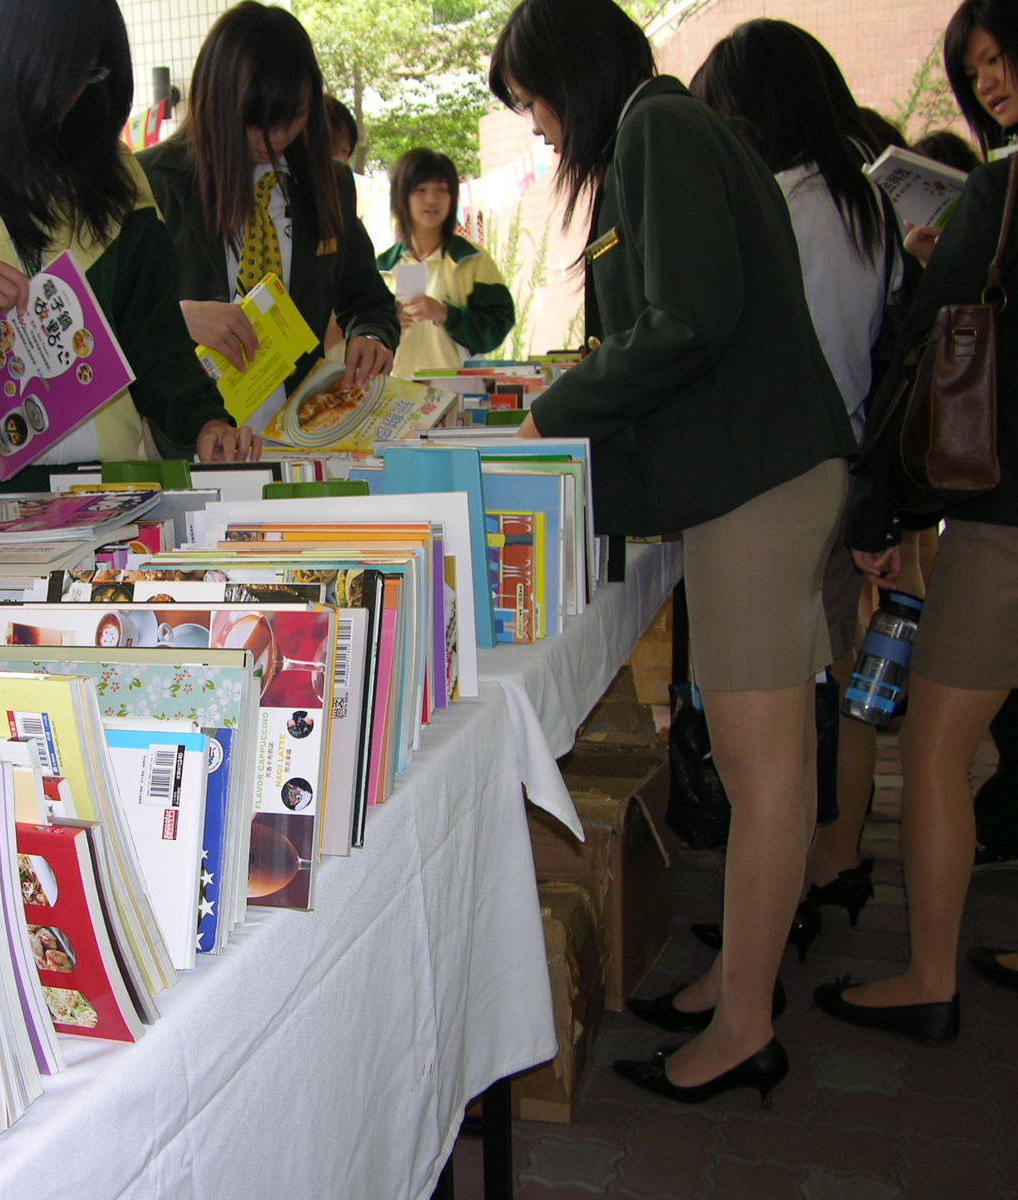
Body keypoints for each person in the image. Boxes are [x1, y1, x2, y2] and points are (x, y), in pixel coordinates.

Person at [489, 0, 854, 1105]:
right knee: (771, 754)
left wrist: (555, 410)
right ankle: (738, 989)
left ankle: (743, 1022)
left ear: (569, 71)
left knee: (762, 765)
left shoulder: (657, 132)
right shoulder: (667, 130)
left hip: (756, 484)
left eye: (536, 104)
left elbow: (688, 317)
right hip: (762, 477)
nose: (541, 130)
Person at [820, 0, 1018, 1042]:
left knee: (936, 749)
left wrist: (934, 263)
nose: (987, 83)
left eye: (997, 59)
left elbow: (929, 352)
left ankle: (928, 978)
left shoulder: (1001, 188)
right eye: (973, 68)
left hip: (1003, 516)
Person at [688, 19, 902, 959]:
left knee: (771, 746)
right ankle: (824, 865)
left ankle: (762, 954)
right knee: (827, 701)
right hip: (842, 465)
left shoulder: (793, 209)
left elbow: (771, 357)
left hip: (778, 483)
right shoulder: (861, 202)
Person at [0, 0, 255, 502]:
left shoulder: (118, 175)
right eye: (58, 75)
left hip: (114, 492)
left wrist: (204, 421)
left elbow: (154, 339)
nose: (70, 97)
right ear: (1, 59)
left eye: (89, 73)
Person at [138, 2, 400, 440]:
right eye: (258, 123)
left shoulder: (328, 184)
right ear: (218, 102)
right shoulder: (152, 182)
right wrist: (179, 317)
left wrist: (372, 335)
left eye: (291, 119)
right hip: (193, 443)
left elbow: (369, 301)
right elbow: (115, 323)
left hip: (299, 440)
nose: (276, 139)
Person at [375, 148, 515, 378]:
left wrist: (446, 314)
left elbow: (498, 325)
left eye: (442, 189)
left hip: (457, 396)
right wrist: (387, 322)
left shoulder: (472, 260)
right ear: (401, 197)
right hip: (395, 395)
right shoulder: (382, 268)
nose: (432, 199)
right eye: (421, 190)